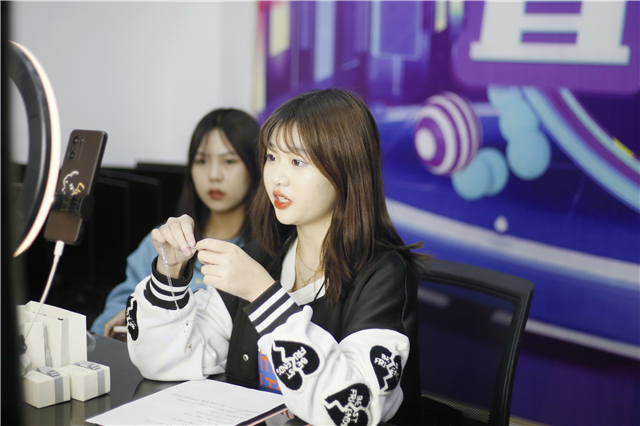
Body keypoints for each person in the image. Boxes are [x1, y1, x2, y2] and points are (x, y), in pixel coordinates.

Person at [125, 89, 430, 425]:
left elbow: (351, 411)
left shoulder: (384, 275)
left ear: (347, 168)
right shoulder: (262, 256)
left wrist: (262, 294)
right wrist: (169, 273)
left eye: (297, 162)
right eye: (271, 157)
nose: (277, 178)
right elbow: (164, 362)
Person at [90, 108, 260, 337]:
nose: (214, 175)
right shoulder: (165, 240)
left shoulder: (267, 249)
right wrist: (126, 311)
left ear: (255, 166)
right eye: (201, 161)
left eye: (229, 161)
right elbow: (114, 310)